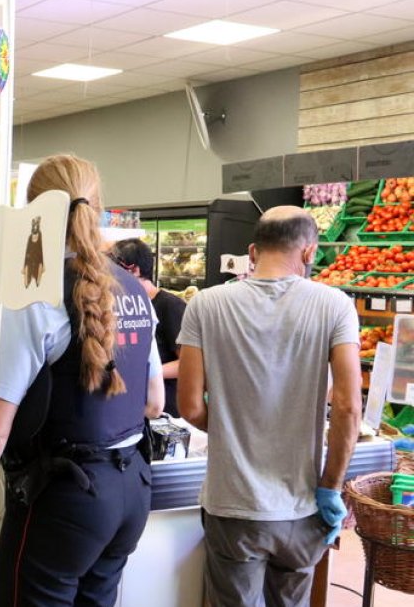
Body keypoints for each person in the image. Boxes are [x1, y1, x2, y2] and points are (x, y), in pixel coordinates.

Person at [0, 154, 165, 606]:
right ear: (99, 205)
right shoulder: (136, 290)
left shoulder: (34, 295)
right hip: (130, 490)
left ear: (34, 211)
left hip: (65, 498)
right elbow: (153, 403)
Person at [177, 206, 361, 607]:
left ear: (252, 250)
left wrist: (232, 427)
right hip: (302, 506)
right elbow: (348, 408)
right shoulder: (335, 305)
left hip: (232, 505)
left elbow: (190, 406)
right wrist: (329, 489)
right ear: (310, 252)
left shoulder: (205, 304)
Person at [110, 238, 187, 416]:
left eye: (116, 268)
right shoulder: (126, 304)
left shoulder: (170, 306)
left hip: (164, 410)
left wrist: (147, 372)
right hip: (137, 404)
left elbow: (186, 363)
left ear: (134, 270)